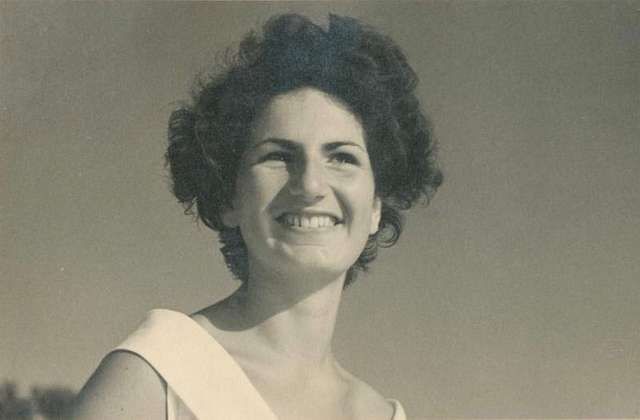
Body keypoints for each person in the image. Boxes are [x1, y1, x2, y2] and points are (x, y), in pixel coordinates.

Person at [72, 13, 442, 420]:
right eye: (278, 156)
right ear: (229, 198)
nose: (310, 185)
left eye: (341, 157)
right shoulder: (156, 373)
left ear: (375, 207)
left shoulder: (384, 415)